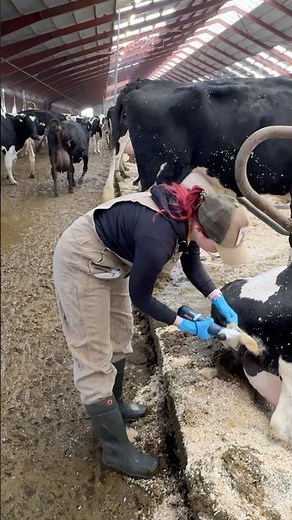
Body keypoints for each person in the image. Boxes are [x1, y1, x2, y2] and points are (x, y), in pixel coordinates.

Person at [53, 183, 249, 479]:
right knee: (93, 352)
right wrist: (188, 325)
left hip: (113, 259)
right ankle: (115, 451)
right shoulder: (158, 238)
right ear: (203, 230)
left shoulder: (192, 215)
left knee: (120, 333)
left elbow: (192, 263)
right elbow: (141, 297)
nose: (218, 254)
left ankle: (115, 404)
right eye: (219, 248)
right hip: (82, 259)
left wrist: (217, 298)